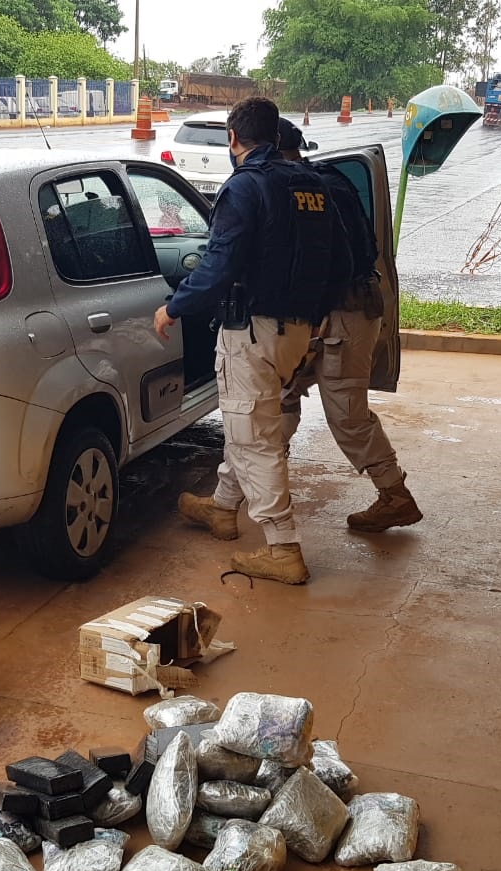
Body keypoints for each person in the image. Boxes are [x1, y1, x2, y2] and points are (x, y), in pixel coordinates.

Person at [153, 97, 348, 584]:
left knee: (251, 436)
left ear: (234, 139)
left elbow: (219, 265)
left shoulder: (245, 186)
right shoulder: (313, 185)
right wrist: (318, 316)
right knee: (255, 422)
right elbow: (338, 261)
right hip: (297, 331)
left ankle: (282, 545)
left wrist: (174, 306)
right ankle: (221, 509)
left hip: (253, 331)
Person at [273, 118, 422, 532]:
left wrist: (315, 322)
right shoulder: (330, 181)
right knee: (279, 396)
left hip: (340, 316)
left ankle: (395, 496)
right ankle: (249, 486)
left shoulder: (306, 191)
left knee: (347, 415)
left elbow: (322, 263)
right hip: (337, 312)